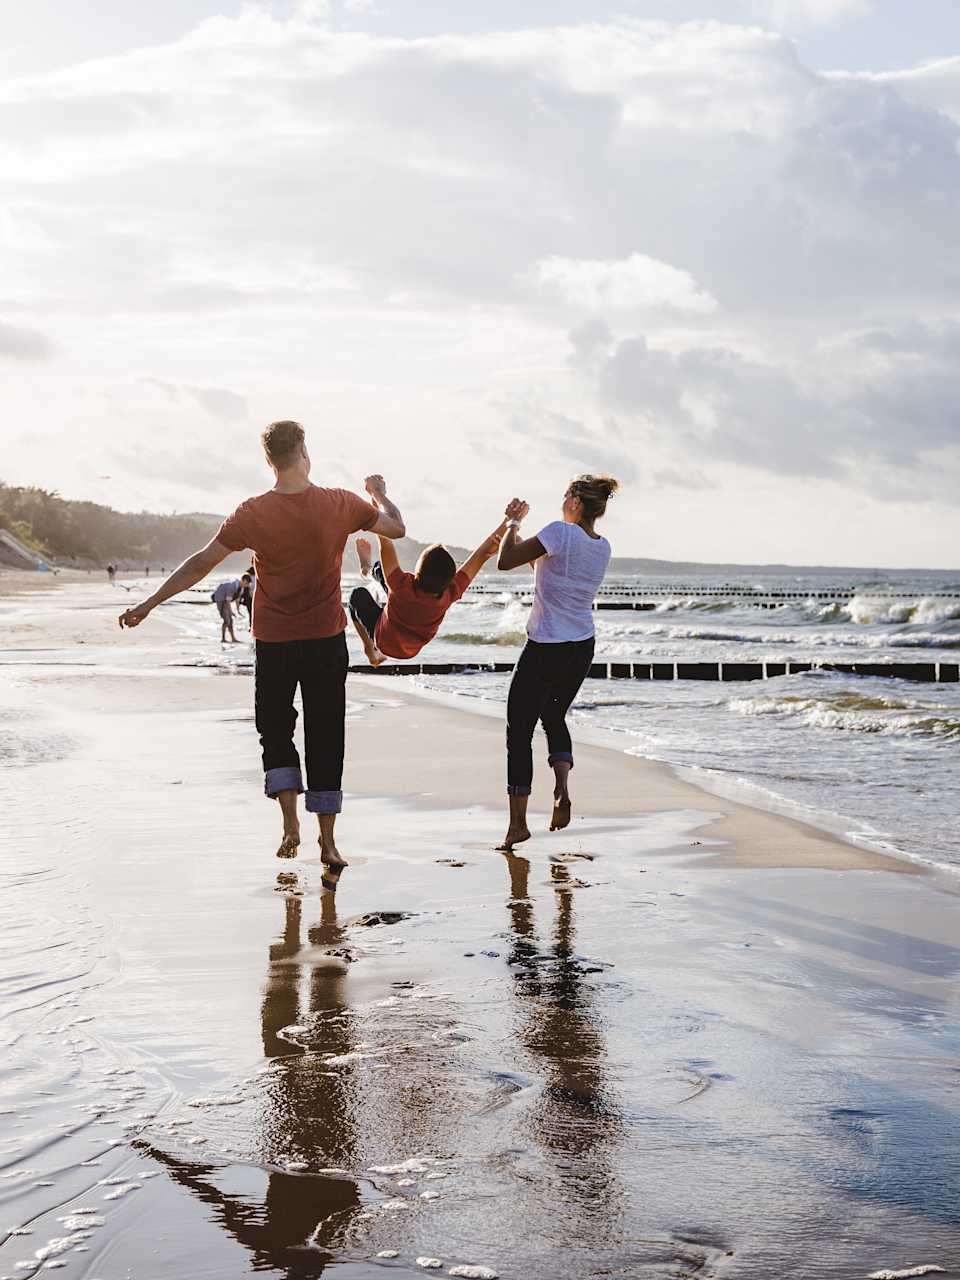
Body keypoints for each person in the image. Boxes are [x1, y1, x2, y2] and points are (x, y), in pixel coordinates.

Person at [118, 420, 405, 872]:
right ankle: (327, 844)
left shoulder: (252, 512)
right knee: (327, 734)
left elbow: (201, 563)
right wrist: (378, 492)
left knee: (275, 729)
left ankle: (290, 824)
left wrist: (152, 602)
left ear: (269, 461)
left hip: (274, 641)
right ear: (304, 452)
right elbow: (397, 528)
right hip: (326, 640)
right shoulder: (339, 503)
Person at [494, 475, 619, 850]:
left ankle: (517, 825)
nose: (562, 499)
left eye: (566, 494)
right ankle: (561, 790)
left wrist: (512, 523)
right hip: (582, 646)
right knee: (553, 716)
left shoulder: (560, 534)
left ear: (577, 502)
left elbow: (504, 562)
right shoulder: (602, 546)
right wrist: (518, 533)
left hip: (547, 645)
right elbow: (538, 567)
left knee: (519, 729)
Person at [347, 520, 507, 666]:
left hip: (383, 641)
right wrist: (511, 522)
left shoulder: (400, 585)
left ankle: (370, 649)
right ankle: (369, 570)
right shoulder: (451, 592)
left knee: (356, 595)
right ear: (451, 579)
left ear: (417, 573)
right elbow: (484, 553)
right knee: (384, 573)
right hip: (412, 648)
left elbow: (384, 540)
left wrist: (376, 498)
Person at [213, 576, 243, 644]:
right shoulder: (232, 586)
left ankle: (233, 638)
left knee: (230, 620)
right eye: (246, 583)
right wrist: (231, 611)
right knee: (226, 620)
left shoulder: (240, 588)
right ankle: (223, 638)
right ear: (244, 580)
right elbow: (227, 601)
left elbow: (237, 600)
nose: (246, 585)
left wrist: (238, 610)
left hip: (225, 601)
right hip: (220, 600)